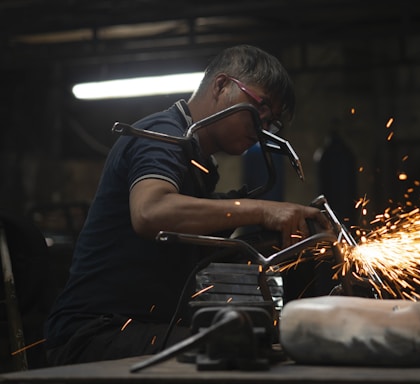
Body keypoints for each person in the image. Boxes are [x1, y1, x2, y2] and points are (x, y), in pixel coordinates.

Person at [44, 44, 330, 366]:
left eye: (272, 121)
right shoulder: (162, 135)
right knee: (238, 347)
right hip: (94, 334)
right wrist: (263, 209)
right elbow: (150, 212)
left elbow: (190, 249)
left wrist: (273, 238)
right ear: (221, 86)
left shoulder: (199, 164)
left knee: (257, 339)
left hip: (141, 329)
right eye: (259, 108)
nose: (263, 127)